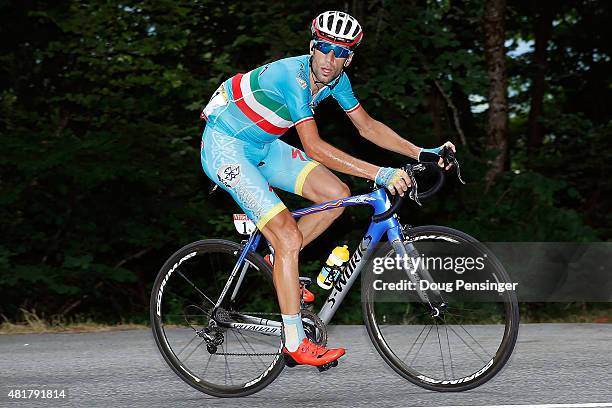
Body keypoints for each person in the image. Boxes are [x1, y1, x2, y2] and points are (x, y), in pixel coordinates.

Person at [200, 10, 455, 367]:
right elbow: (314, 147)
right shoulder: (294, 76)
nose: (330, 59)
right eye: (324, 47)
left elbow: (367, 127)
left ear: (349, 58)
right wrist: (380, 173)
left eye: (340, 53)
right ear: (312, 47)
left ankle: (277, 258)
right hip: (225, 147)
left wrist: (421, 151)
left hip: (263, 145)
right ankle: (294, 342)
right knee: (288, 236)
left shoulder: (337, 80)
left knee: (337, 196)